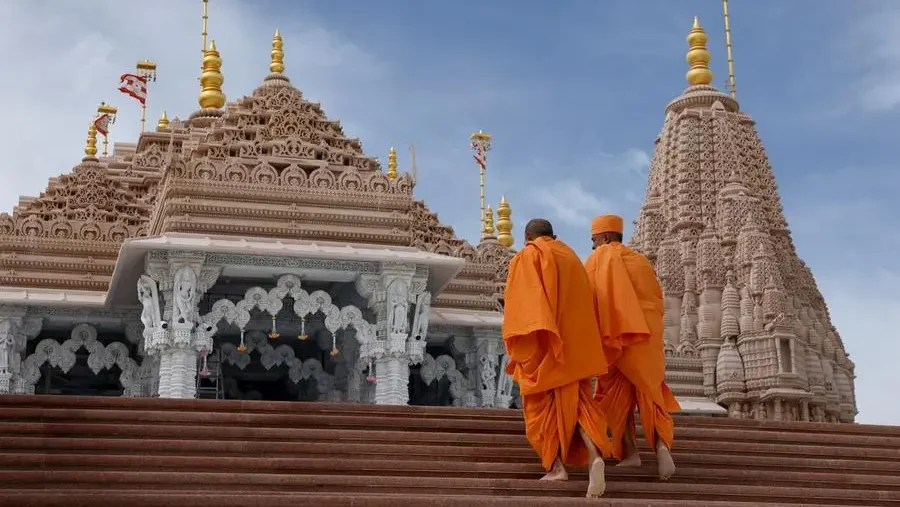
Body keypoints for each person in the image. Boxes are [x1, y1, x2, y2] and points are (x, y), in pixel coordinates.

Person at [502, 218, 613, 498]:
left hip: (546, 348)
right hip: (577, 350)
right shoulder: (572, 256)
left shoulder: (528, 255)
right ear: (554, 235)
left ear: (528, 236)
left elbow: (525, 308)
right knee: (579, 407)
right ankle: (595, 456)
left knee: (541, 413)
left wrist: (524, 349)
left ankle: (556, 468)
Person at [584, 214, 681, 481]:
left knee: (617, 397)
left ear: (603, 237)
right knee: (651, 393)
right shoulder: (641, 262)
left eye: (593, 240)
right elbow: (656, 300)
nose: (592, 245)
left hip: (616, 338)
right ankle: (661, 447)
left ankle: (630, 453)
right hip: (647, 338)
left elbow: (588, 300)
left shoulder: (597, 259)